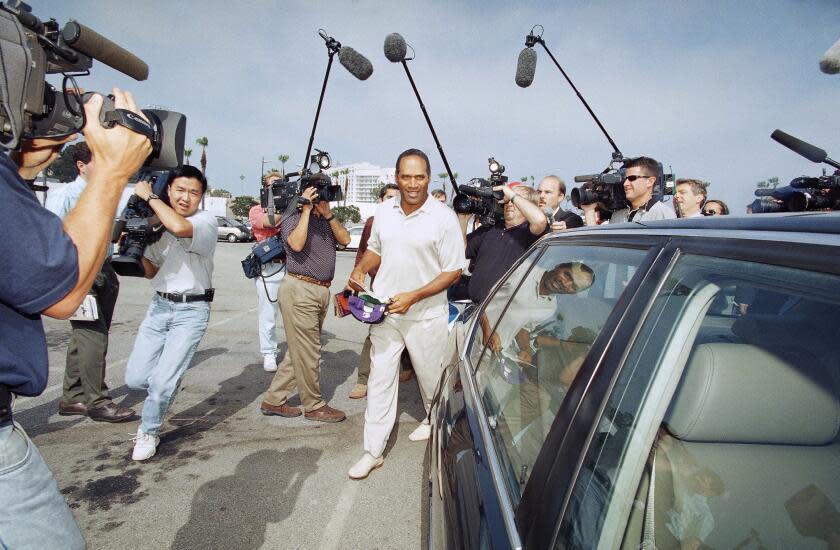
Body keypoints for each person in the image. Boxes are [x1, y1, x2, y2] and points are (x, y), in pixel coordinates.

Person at [0, 89, 152, 548]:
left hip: (79, 268)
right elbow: (60, 286)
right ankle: (89, 395)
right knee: (89, 338)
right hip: (74, 271)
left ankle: (75, 394)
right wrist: (111, 173)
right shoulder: (72, 189)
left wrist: (19, 169)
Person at [347, 148, 465, 480]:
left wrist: (414, 296)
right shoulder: (384, 211)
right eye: (406, 176)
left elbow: (453, 272)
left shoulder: (443, 218)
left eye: (420, 176)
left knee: (432, 382)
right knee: (380, 379)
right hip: (385, 313)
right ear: (396, 178)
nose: (413, 184)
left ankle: (436, 426)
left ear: (429, 177)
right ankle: (373, 451)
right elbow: (375, 250)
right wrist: (359, 271)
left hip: (426, 316)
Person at [125, 165, 218, 461]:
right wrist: (131, 249)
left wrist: (149, 197)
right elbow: (151, 270)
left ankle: (148, 430)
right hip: (159, 306)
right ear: (170, 190)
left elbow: (180, 227)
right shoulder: (158, 225)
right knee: (136, 379)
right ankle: (167, 386)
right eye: (180, 189)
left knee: (161, 383)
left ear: (201, 197)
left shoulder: (205, 221)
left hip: (192, 310)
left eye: (194, 192)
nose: (186, 197)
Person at [44, 141, 135, 422]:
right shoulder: (66, 195)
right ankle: (98, 401)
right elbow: (52, 237)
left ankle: (72, 397)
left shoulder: (104, 194)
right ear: (81, 166)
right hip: (81, 270)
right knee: (93, 335)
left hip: (104, 268)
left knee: (86, 335)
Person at [259, 184, 351, 423]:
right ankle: (313, 405)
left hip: (320, 291)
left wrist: (328, 213)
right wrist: (307, 210)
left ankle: (274, 399)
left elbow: (346, 238)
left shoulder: (327, 219)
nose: (323, 198)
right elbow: (296, 244)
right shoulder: (294, 216)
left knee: (300, 351)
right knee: (309, 352)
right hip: (300, 288)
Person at [348, 183, 407, 400]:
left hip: (408, 286)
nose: (393, 201)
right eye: (389, 197)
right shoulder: (373, 222)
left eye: (397, 197)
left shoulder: (409, 221)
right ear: (381, 200)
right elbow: (364, 252)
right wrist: (358, 278)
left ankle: (408, 367)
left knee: (410, 327)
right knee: (376, 330)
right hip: (380, 286)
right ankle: (364, 379)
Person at [462, 184, 547, 305]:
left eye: (515, 200)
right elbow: (461, 250)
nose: (509, 203)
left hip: (506, 311)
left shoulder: (531, 232)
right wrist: (463, 219)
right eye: (506, 200)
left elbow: (540, 220)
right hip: (476, 306)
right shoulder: (491, 228)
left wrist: (511, 194)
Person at [248, 173, 288, 372]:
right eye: (273, 185)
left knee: (294, 315)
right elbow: (271, 221)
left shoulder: (292, 208)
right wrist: (292, 208)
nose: (277, 188)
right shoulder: (257, 210)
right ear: (264, 189)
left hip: (292, 267)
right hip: (269, 268)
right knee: (268, 315)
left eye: (280, 185)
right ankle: (269, 352)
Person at [582, 156, 676, 225]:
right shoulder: (618, 216)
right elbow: (600, 250)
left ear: (650, 181)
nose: (625, 183)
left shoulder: (662, 214)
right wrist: (589, 211)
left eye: (632, 178)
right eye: (624, 179)